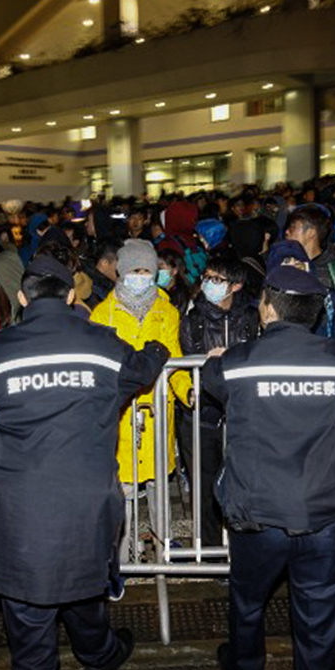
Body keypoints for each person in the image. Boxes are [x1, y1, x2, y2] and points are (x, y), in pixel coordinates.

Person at [0, 255, 169, 670]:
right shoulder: (103, 344)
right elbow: (142, 372)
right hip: (83, 496)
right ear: (72, 295)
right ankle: (99, 653)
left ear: (21, 298)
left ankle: (89, 660)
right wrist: (157, 349)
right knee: (82, 580)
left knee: (30, 618)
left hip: (15, 501)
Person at [202, 263, 335, 670]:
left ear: (267, 308)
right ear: (313, 313)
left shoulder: (238, 363)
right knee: (318, 622)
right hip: (325, 513)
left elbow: (212, 382)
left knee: (249, 601)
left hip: (259, 513)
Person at [89, 240, 191, 562]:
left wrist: (186, 389)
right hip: (120, 417)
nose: (142, 276)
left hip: (158, 414)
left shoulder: (167, 310)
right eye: (135, 270)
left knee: (161, 489)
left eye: (147, 270)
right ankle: (121, 559)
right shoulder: (102, 314)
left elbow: (175, 357)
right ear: (121, 272)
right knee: (124, 493)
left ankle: (163, 554)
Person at [178, 252, 259, 547]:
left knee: (242, 485)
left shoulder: (251, 318)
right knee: (205, 488)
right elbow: (187, 361)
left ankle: (243, 549)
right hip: (202, 416)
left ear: (235, 286)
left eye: (217, 279)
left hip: (241, 416)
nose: (209, 284)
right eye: (207, 277)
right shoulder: (193, 320)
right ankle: (211, 552)